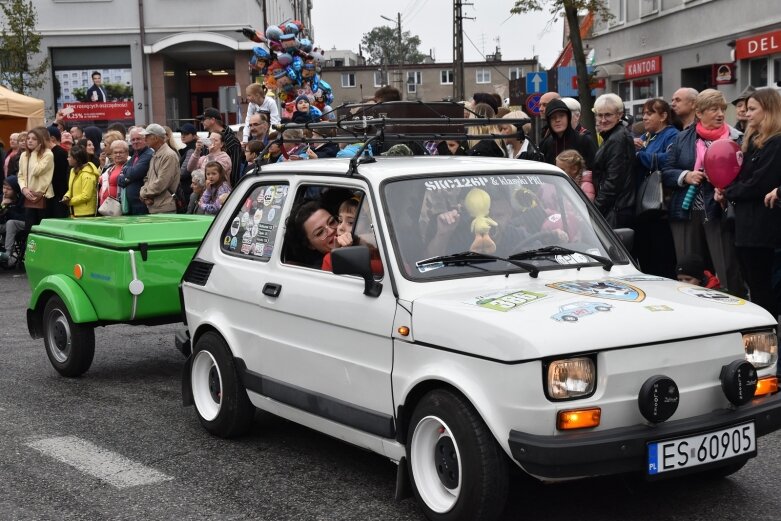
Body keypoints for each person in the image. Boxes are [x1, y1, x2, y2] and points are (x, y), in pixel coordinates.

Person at [663, 89, 746, 298]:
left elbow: (746, 175)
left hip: (719, 210)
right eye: (713, 109)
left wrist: (725, 182)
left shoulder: (737, 139)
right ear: (699, 113)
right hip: (687, 210)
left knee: (726, 267)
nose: (720, 114)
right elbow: (667, 172)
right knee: (689, 271)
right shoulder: (682, 139)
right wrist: (686, 176)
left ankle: (734, 312)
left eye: (722, 109)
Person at [715, 88, 781, 317]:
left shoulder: (776, 142)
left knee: (764, 290)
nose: (746, 113)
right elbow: (742, 178)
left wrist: (729, 191)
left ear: (769, 111)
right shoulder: (752, 142)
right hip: (745, 225)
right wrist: (724, 189)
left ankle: (768, 342)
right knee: (754, 287)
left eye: (753, 109)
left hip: (764, 228)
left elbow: (759, 183)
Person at [633, 98, 680, 278]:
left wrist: (640, 155)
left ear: (663, 116)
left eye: (649, 113)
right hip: (643, 206)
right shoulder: (646, 136)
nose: (644, 117)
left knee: (661, 259)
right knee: (645, 257)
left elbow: (667, 160)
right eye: (643, 113)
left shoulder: (672, 135)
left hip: (660, 209)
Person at [591, 93, 636, 228]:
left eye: (608, 115)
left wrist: (596, 208)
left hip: (616, 209)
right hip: (616, 207)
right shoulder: (612, 136)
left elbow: (613, 180)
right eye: (600, 115)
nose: (603, 119)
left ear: (619, 115)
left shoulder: (617, 138)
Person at [321, 196, 383, 274]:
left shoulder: (382, 253)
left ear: (369, 227)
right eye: (340, 221)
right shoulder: (330, 260)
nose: (340, 227)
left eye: (351, 222)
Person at [539, 99, 597, 168]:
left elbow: (596, 169)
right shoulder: (546, 144)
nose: (557, 120)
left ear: (568, 117)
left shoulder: (584, 140)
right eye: (553, 117)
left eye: (561, 116)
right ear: (549, 121)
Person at [139, 123, 181, 214]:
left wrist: (143, 193)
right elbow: (148, 178)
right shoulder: (155, 154)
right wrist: (144, 192)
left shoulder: (169, 155)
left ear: (156, 138)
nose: (145, 139)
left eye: (147, 136)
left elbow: (162, 182)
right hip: (156, 206)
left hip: (165, 207)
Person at [17, 127, 54, 229]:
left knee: (42, 229)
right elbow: (20, 175)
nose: (29, 141)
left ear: (40, 140)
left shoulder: (48, 154)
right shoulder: (24, 155)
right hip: (28, 196)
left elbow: (36, 171)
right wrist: (23, 188)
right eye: (28, 138)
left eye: (34, 139)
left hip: (44, 197)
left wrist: (33, 154)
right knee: (29, 228)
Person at [283, 200, 339, 268]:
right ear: (310, 245)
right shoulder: (321, 271)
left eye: (332, 222)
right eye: (320, 232)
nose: (331, 231)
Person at [198, 107, 243, 186]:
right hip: (207, 188)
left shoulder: (231, 140)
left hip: (223, 191)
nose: (202, 122)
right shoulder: (208, 139)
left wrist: (233, 193)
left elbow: (235, 170)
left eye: (204, 119)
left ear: (212, 120)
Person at [117, 126, 154, 215]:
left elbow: (135, 172)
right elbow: (119, 179)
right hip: (132, 205)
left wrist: (126, 173)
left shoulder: (148, 154)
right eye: (133, 140)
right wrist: (128, 175)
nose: (135, 142)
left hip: (142, 204)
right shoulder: (134, 156)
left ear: (145, 139)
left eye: (138, 139)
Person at [61, 145, 100, 217]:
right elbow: (71, 189)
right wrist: (66, 196)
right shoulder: (73, 170)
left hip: (86, 213)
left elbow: (86, 196)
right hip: (74, 211)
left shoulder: (87, 174)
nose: (67, 159)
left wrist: (70, 201)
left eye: (69, 157)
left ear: (76, 159)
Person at [0, 175, 25, 266]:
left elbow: (23, 217)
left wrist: (10, 208)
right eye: (3, 187)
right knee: (8, 223)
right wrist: (2, 206)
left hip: (22, 224)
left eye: (8, 189)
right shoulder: (2, 197)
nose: (5, 191)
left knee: (11, 223)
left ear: (16, 189)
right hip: (6, 225)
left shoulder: (23, 199)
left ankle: (7, 253)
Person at [46, 125, 71, 218]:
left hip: (58, 196)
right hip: (54, 195)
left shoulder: (59, 153)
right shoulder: (52, 152)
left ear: (52, 138)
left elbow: (59, 177)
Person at [99, 140, 129, 210]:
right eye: (115, 152)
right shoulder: (109, 168)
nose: (118, 155)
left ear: (127, 153)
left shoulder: (128, 167)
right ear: (112, 154)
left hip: (118, 208)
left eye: (121, 152)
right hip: (104, 207)